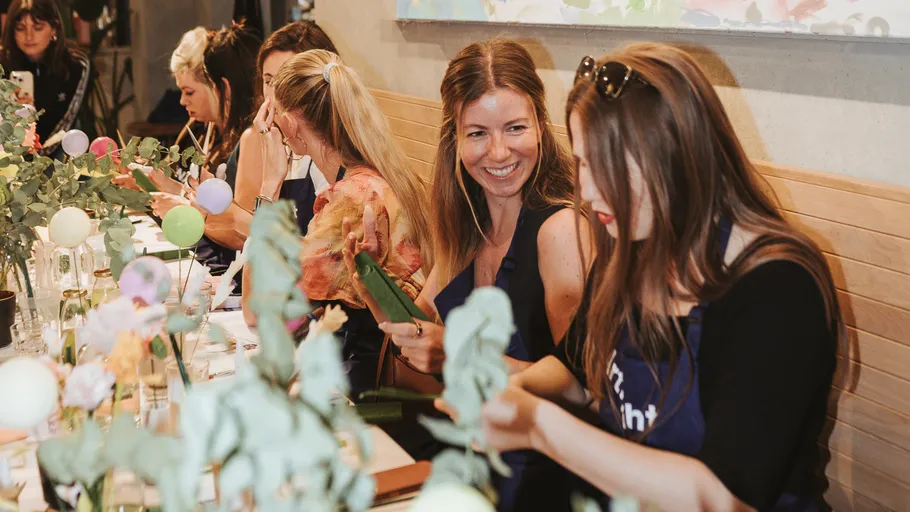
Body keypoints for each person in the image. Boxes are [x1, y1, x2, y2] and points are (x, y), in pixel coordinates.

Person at [478, 43, 841, 511]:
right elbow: (577, 371)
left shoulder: (777, 287)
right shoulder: (632, 244)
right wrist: (516, 392)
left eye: (608, 167)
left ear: (677, 155)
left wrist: (539, 426)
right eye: (584, 162)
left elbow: (723, 497)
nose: (587, 190)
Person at [344, 39, 588, 511]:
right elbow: (417, 347)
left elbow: (580, 388)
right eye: (477, 133)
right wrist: (375, 283)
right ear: (454, 137)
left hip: (543, 479)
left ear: (540, 125)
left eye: (515, 128)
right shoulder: (466, 222)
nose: (498, 152)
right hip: (469, 458)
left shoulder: (559, 230)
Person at [246, 49, 432, 399]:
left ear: (290, 125)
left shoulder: (353, 199)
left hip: (376, 390)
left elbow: (257, 311)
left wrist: (269, 185)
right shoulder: (380, 177)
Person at [147, 23, 261, 276]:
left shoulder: (252, 139)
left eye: (189, 92)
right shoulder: (201, 129)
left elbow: (242, 233)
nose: (181, 101)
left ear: (220, 87)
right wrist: (165, 186)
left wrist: (185, 208)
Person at [0, 0, 89, 153]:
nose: (29, 36)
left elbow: (65, 124)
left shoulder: (75, 65)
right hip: (9, 154)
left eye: (38, 28)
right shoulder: (3, 64)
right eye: (20, 28)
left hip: (60, 152)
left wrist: (37, 158)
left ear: (54, 28)